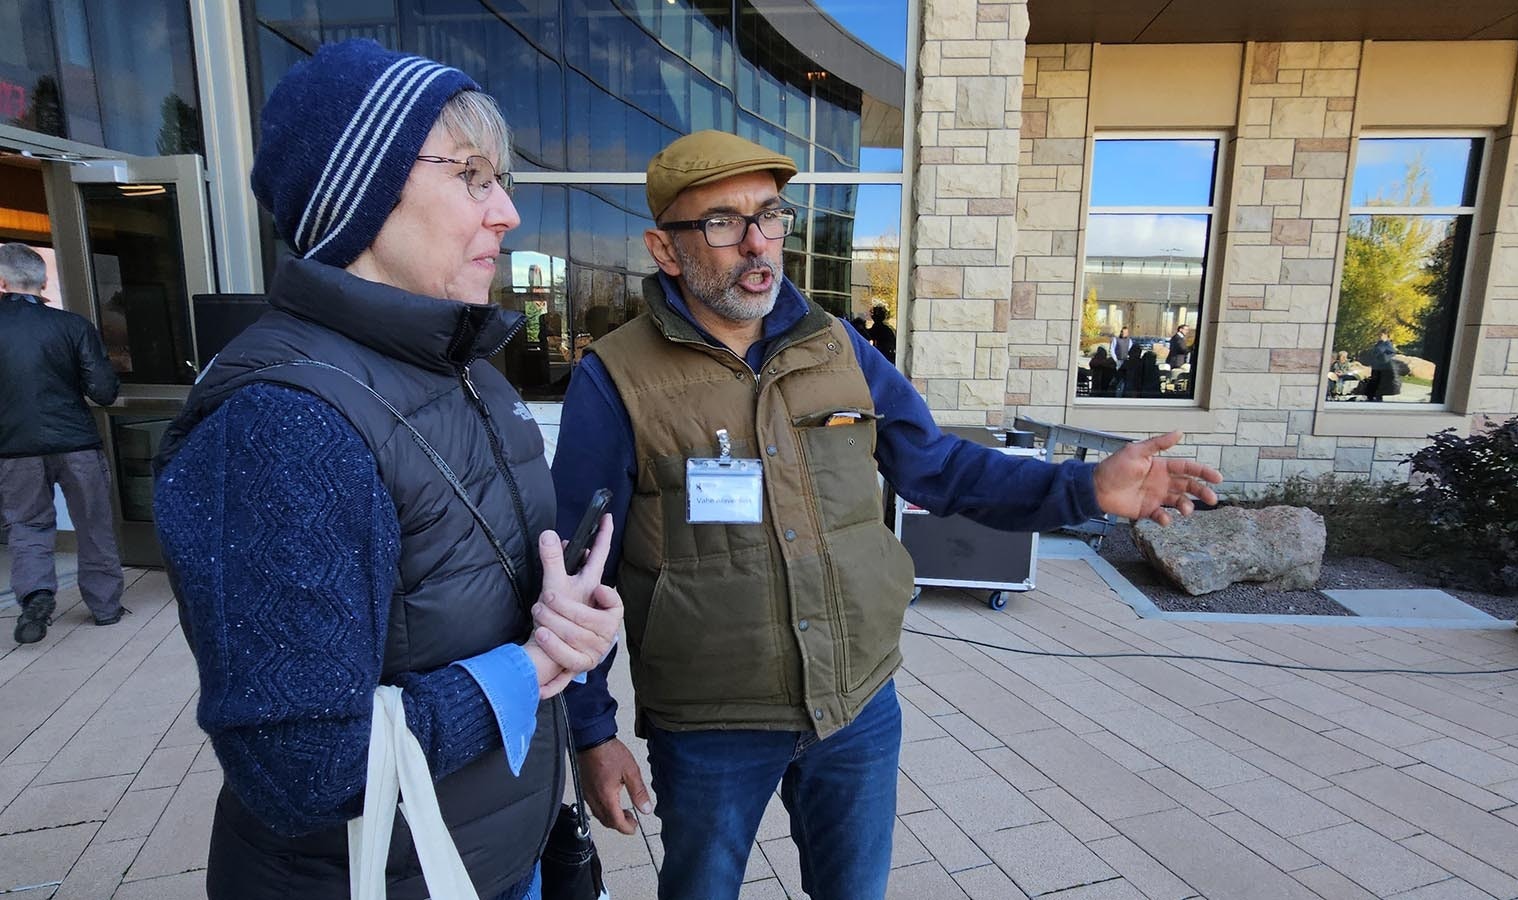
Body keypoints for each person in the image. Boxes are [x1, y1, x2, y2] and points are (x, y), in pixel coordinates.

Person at [550, 129, 1223, 900]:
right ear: (666, 250)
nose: (756, 242)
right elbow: (577, 572)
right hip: (710, 724)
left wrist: (1084, 490)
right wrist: (592, 731)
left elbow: (938, 467)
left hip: (858, 704)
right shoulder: (616, 379)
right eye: (723, 223)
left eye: (769, 216)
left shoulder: (839, 347)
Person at [150, 40, 622, 899]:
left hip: (488, 856)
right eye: (473, 175)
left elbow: (460, 603)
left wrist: (561, 624)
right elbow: (299, 767)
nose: (507, 211)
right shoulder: (284, 423)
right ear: (360, 197)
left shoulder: (465, 368)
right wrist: (525, 671)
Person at [0, 243, 126, 643]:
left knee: (28, 526)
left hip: (13, 447)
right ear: (43, 282)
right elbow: (103, 391)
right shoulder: (72, 326)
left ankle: (36, 596)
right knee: (94, 525)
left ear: (2, 282)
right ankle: (105, 608)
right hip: (76, 443)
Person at [1360, 331, 1401, 401]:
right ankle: (1372, 396)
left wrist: (1384, 358)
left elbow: (1392, 352)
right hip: (1376, 365)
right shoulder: (1378, 343)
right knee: (1373, 380)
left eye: (1381, 335)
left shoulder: (1387, 343)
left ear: (1386, 335)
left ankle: (1378, 397)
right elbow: (1374, 352)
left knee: (1379, 382)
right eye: (1379, 335)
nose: (1380, 336)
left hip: (1382, 366)